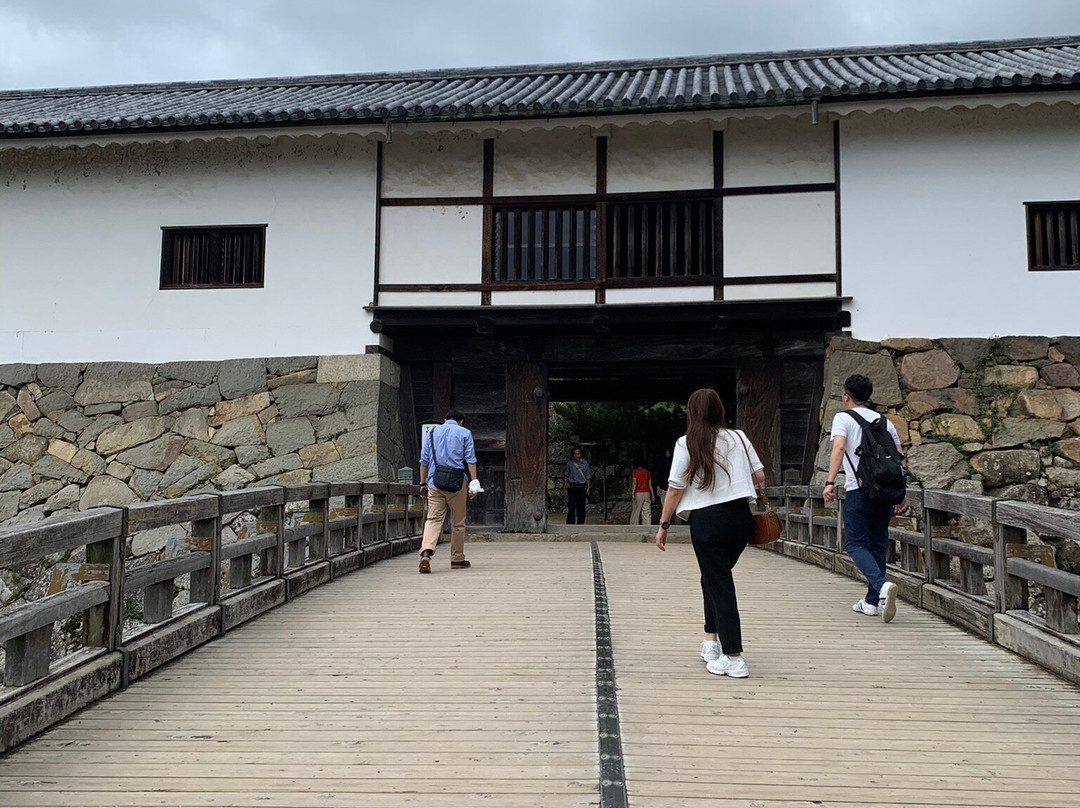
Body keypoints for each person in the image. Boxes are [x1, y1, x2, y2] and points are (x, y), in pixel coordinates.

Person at [655, 389, 765, 679]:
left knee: (720, 583)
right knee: (714, 577)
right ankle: (710, 641)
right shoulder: (739, 437)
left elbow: (676, 488)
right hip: (740, 518)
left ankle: (735, 656)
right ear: (720, 410)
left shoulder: (687, 443)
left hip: (707, 521)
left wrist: (664, 524)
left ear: (692, 413)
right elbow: (759, 477)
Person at [823, 374, 906, 622]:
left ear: (846, 395)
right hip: (884, 493)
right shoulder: (885, 422)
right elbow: (899, 456)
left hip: (859, 491)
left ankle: (881, 586)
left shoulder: (843, 418)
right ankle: (871, 603)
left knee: (856, 545)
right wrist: (901, 492)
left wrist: (829, 482)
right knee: (877, 545)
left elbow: (839, 448)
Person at [418, 409, 481, 573]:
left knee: (433, 519)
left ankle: (426, 553)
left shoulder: (432, 433)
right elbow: (470, 460)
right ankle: (457, 558)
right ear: (460, 421)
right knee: (458, 523)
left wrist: (423, 483)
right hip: (457, 484)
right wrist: (474, 482)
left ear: (445, 420)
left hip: (435, 482)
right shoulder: (465, 433)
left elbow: (423, 460)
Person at [561, 446, 592, 525]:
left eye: (578, 454)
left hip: (581, 487)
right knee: (571, 506)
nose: (577, 456)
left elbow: (588, 477)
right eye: (575, 454)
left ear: (580, 454)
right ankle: (570, 524)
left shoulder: (585, 464)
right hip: (572, 487)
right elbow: (566, 476)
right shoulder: (570, 464)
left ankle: (580, 524)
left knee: (581, 507)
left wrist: (588, 488)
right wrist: (563, 489)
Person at [628, 459, 654, 525]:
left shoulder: (635, 472)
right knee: (647, 511)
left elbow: (634, 483)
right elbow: (650, 485)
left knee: (636, 510)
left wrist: (633, 493)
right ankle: (647, 525)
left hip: (638, 492)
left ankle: (634, 525)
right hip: (647, 492)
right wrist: (652, 495)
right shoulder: (647, 472)